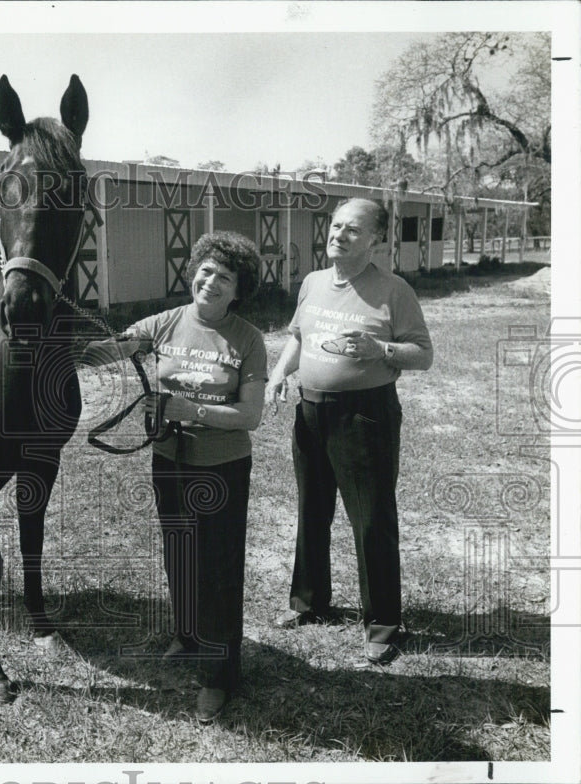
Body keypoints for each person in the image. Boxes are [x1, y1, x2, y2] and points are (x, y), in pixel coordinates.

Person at [83, 231, 267, 722]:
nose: (211, 281)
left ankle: (218, 678)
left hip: (223, 468)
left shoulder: (247, 339)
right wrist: (74, 333)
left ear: (238, 289)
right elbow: (110, 352)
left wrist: (194, 409)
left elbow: (251, 416)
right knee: (179, 556)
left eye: (224, 277)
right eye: (205, 271)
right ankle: (187, 636)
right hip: (170, 461)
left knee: (219, 572)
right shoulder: (166, 323)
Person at [264, 198, 433, 665]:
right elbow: (298, 336)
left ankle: (383, 623)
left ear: (375, 239)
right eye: (336, 226)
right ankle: (309, 602)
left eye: (353, 230)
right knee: (311, 510)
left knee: (371, 517)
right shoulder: (314, 282)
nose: (339, 235)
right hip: (311, 410)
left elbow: (423, 354)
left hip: (365, 415)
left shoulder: (393, 289)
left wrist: (380, 347)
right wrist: (280, 373)